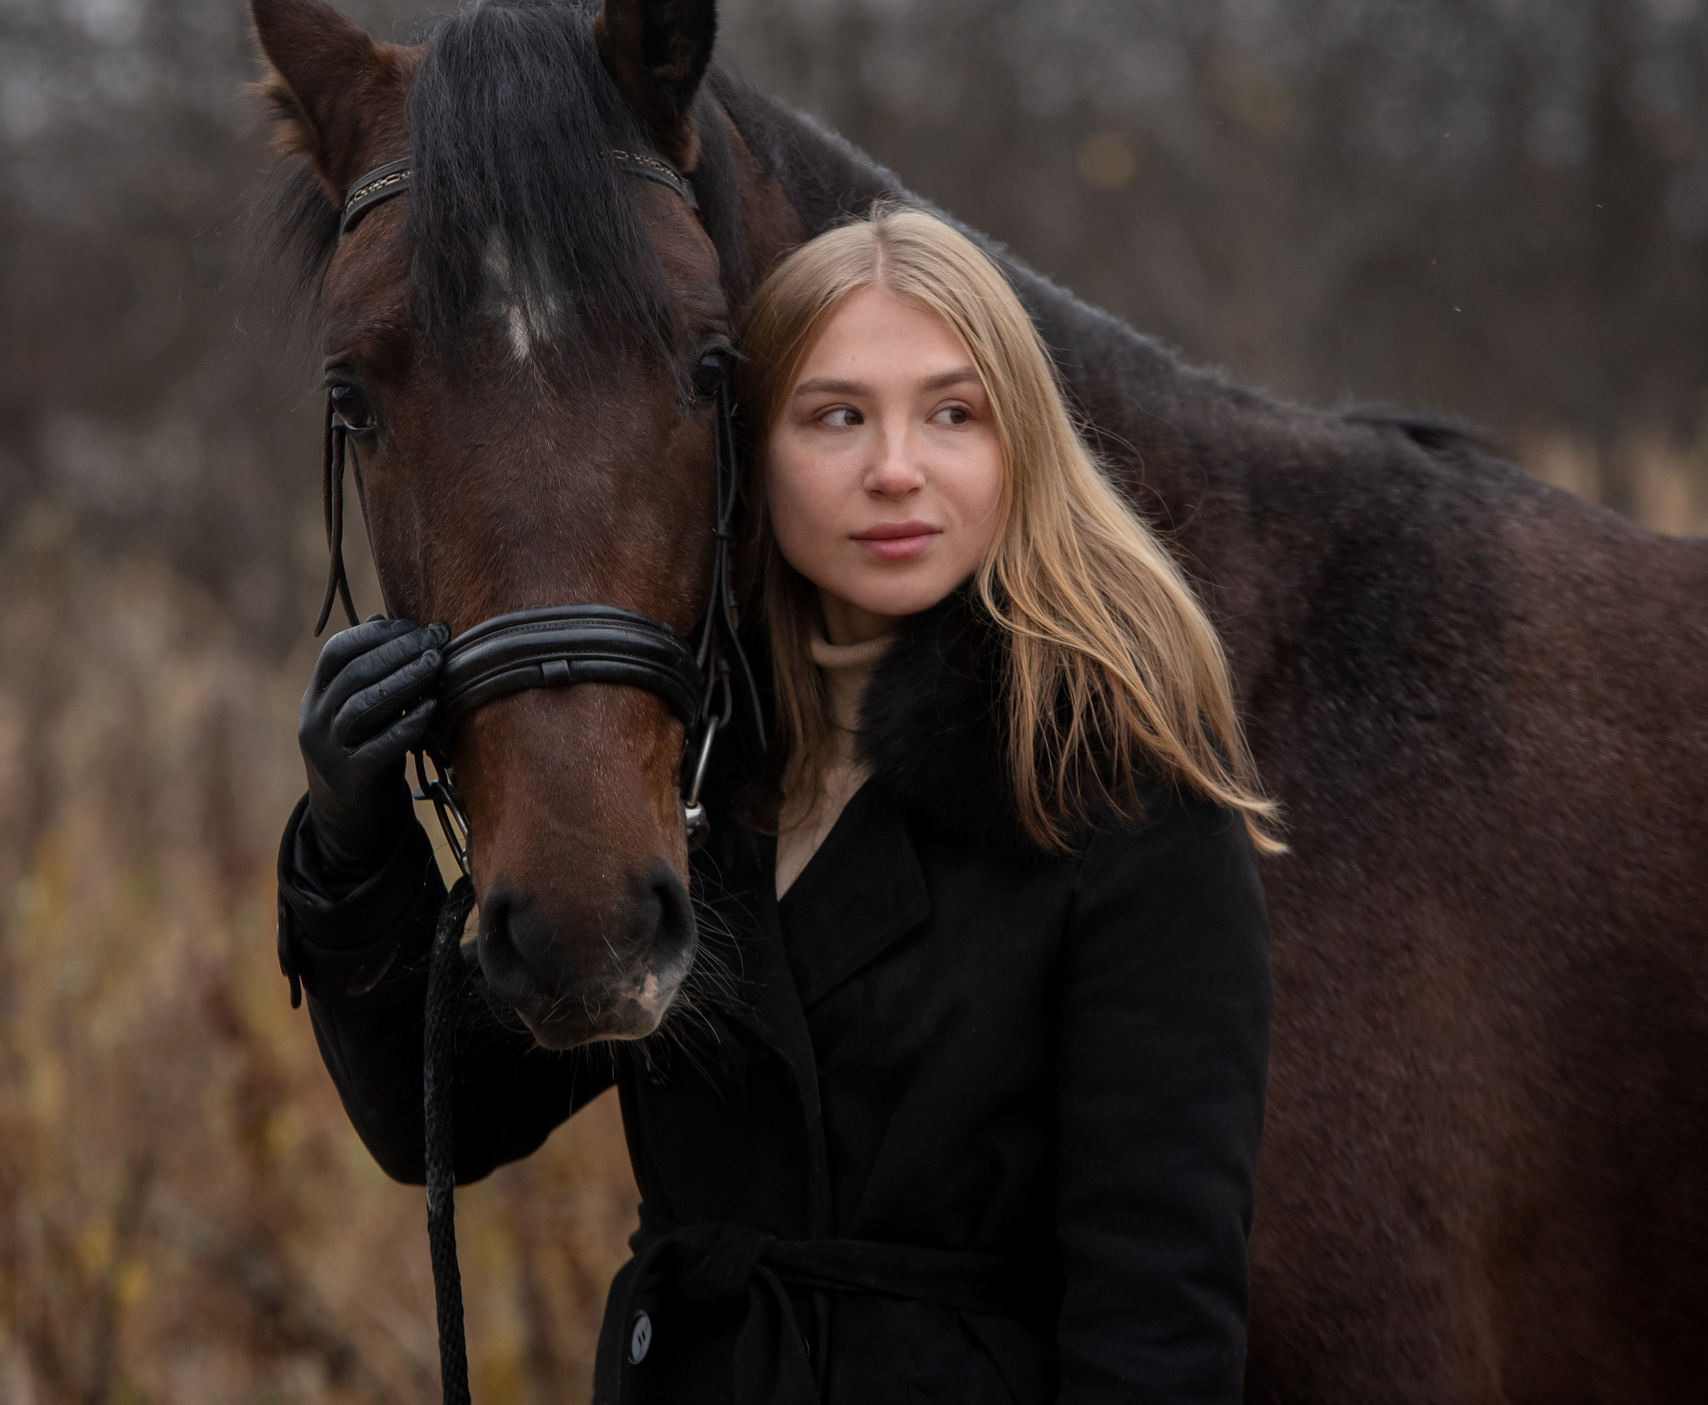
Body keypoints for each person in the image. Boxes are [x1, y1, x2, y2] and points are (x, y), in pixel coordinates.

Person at [277, 205, 1277, 1403]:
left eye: (953, 414)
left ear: (1020, 451)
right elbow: (443, 1122)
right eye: (836, 415)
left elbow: (1157, 1316)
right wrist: (353, 837)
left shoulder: (1116, 794)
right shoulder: (694, 767)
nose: (895, 468)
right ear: (746, 451)